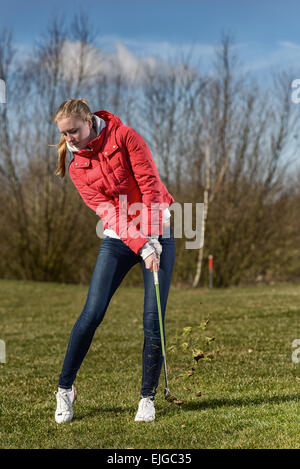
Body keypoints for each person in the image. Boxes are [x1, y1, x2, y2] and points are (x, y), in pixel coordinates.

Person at [52, 99, 176, 423]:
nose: (70, 139)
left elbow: (150, 186)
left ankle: (147, 398)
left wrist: (151, 238)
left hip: (157, 228)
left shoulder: (126, 137)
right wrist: (140, 244)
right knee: (92, 313)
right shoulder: (77, 168)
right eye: (65, 135)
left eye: (74, 131)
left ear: (89, 122)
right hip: (119, 237)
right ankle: (65, 389)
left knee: (153, 319)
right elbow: (109, 212)